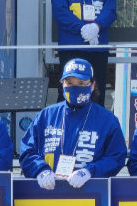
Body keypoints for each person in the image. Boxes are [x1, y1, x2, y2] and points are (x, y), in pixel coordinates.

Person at [20, 59, 127, 190]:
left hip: (91, 193)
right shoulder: (46, 116)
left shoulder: (107, 120)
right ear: (62, 84)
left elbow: (116, 156)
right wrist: (40, 170)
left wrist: (90, 171)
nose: (75, 88)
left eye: (81, 83)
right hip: (47, 192)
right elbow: (27, 151)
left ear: (92, 85)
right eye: (69, 83)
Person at [51, 0, 117, 107]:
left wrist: (96, 27)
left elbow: (110, 10)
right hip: (72, 47)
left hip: (98, 48)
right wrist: (82, 29)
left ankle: (97, 133)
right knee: (68, 94)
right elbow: (60, 12)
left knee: (97, 93)